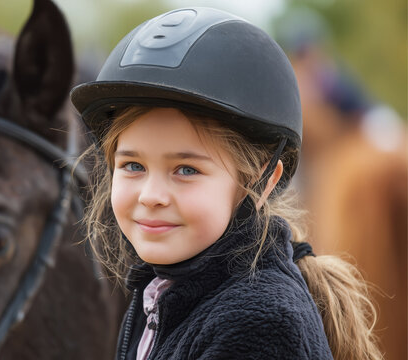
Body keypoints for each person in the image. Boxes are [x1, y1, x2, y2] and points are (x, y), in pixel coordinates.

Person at [70, 7, 382, 360]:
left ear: (263, 182)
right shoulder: (161, 294)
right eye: (133, 165)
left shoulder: (259, 327)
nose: (151, 195)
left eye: (186, 169)